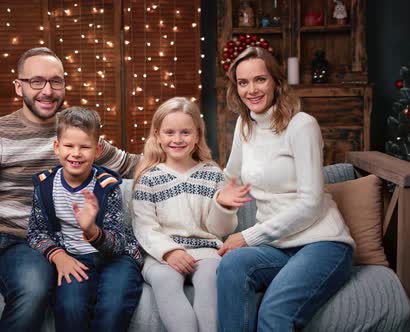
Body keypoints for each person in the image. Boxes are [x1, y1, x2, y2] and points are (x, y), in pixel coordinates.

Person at [0, 47, 140, 332]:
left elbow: (133, 164)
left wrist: (193, 164)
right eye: (37, 81)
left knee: (34, 292)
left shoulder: (74, 134)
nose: (48, 91)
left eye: (56, 81)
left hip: (26, 245)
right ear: (19, 86)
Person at [216, 46, 355, 332]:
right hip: (277, 247)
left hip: (322, 243)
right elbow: (229, 180)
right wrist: (218, 196)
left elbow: (311, 204)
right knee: (231, 267)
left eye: (260, 80)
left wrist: (248, 236)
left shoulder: (301, 125)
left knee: (274, 311)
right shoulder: (245, 125)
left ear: (277, 83)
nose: (251, 90)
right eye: (243, 82)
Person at [131, 97, 250, 332]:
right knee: (165, 280)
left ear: (197, 135)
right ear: (157, 135)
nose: (177, 139)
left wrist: (222, 206)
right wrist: (170, 252)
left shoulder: (212, 174)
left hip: (206, 251)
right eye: (169, 132)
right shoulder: (148, 178)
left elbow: (221, 230)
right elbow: (144, 227)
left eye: (185, 132)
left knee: (209, 278)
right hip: (162, 255)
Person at [27, 106, 143, 332]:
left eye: (85, 147)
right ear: (57, 147)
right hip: (74, 258)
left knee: (112, 310)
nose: (76, 153)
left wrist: (91, 231)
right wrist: (58, 255)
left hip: (117, 259)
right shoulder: (44, 186)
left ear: (97, 150)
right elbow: (35, 232)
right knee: (70, 308)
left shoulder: (106, 186)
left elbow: (118, 243)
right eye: (69, 146)